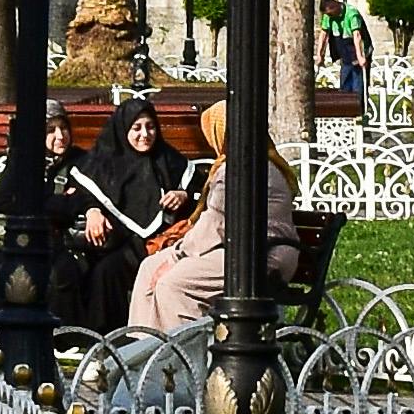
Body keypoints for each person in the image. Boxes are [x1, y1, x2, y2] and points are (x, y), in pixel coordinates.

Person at [128, 99, 301, 338]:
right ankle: (146, 351)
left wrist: (178, 255)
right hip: (240, 250)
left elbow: (215, 222)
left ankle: (185, 359)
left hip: (261, 256)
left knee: (173, 283)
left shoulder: (241, 168)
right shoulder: (237, 164)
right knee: (150, 267)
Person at [68, 89, 192, 333]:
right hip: (117, 244)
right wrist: (93, 210)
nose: (145, 135)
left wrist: (183, 195)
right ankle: (103, 340)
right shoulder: (104, 161)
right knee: (104, 272)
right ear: (123, 130)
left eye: (150, 127)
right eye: (137, 128)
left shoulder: (170, 160)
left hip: (162, 245)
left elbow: (199, 195)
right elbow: (79, 193)